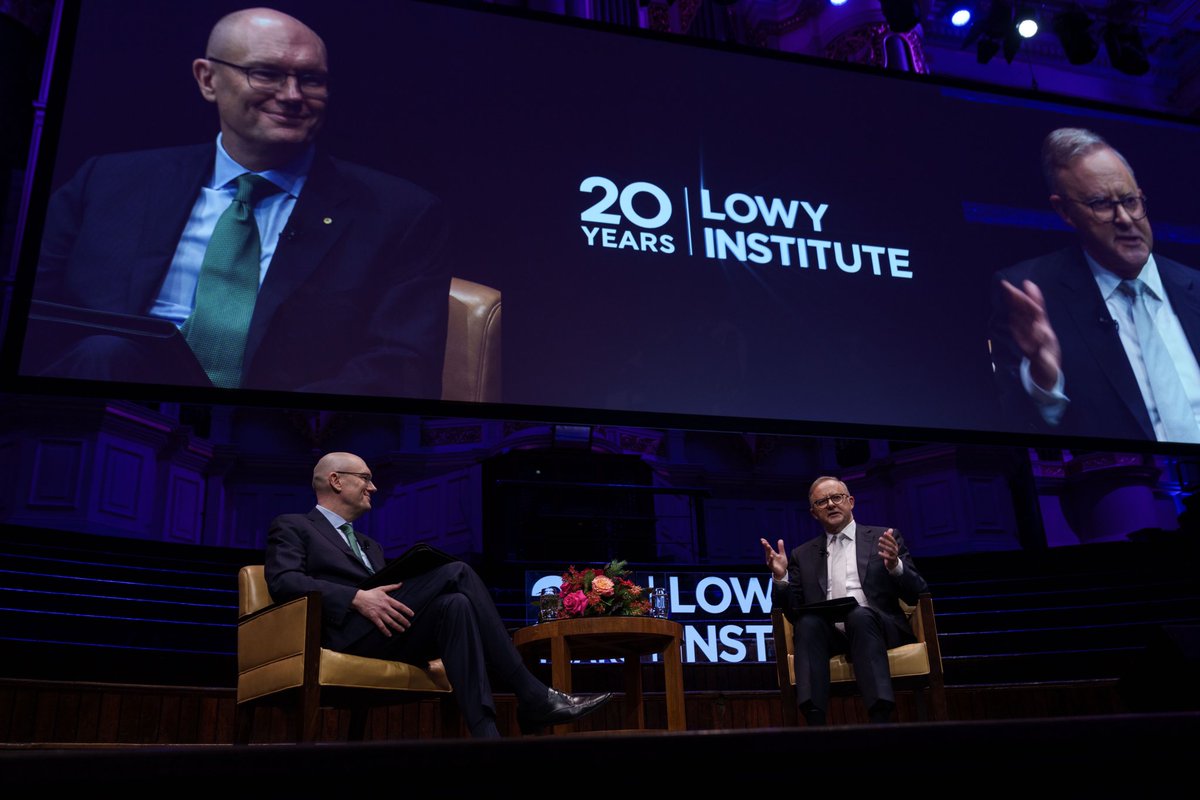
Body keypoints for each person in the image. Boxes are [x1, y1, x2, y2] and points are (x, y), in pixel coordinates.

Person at [22, 7, 448, 398]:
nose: (293, 95)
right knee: (104, 355)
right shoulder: (108, 182)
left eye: (312, 80)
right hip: (98, 401)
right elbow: (28, 312)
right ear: (208, 79)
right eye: (266, 74)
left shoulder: (398, 214)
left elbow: (401, 365)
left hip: (267, 425)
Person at [265, 451, 613, 738]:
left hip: (388, 631)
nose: (374, 486)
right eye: (365, 478)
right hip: (341, 634)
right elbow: (284, 581)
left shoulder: (371, 545)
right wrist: (355, 597)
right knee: (457, 571)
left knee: (456, 604)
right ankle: (532, 694)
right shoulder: (294, 525)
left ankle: (486, 734)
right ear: (336, 480)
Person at [990, 127, 1200, 443]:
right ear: (1065, 211)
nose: (1126, 219)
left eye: (1130, 201)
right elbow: (1019, 430)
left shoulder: (1194, 286)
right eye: (1102, 204)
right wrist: (1044, 380)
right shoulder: (1031, 294)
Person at [760, 476, 928, 725]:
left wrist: (895, 566)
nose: (830, 504)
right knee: (807, 623)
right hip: (830, 636)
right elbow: (791, 610)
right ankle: (815, 721)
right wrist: (781, 577)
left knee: (858, 615)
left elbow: (918, 592)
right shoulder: (802, 554)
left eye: (836, 497)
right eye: (821, 502)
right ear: (813, 513)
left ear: (850, 502)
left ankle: (880, 718)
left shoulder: (883, 537)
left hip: (877, 628)